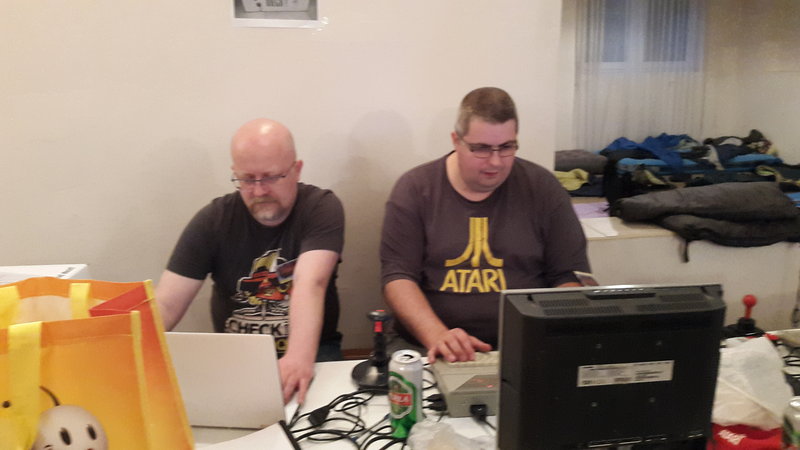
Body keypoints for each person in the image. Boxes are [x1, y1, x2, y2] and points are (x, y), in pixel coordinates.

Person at [380, 87, 590, 364]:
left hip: (526, 345)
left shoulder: (543, 188)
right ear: (456, 140)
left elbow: (569, 276)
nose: (495, 162)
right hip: (428, 347)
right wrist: (437, 335)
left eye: (506, 147)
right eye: (480, 149)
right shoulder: (415, 189)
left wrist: (553, 334)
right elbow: (398, 278)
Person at [156, 118, 344, 404]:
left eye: (270, 177)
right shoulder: (212, 220)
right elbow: (166, 304)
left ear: (296, 170)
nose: (258, 191)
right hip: (235, 355)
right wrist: (130, 352)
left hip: (314, 352)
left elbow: (310, 283)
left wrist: (297, 358)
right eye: (246, 179)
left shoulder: (321, 208)